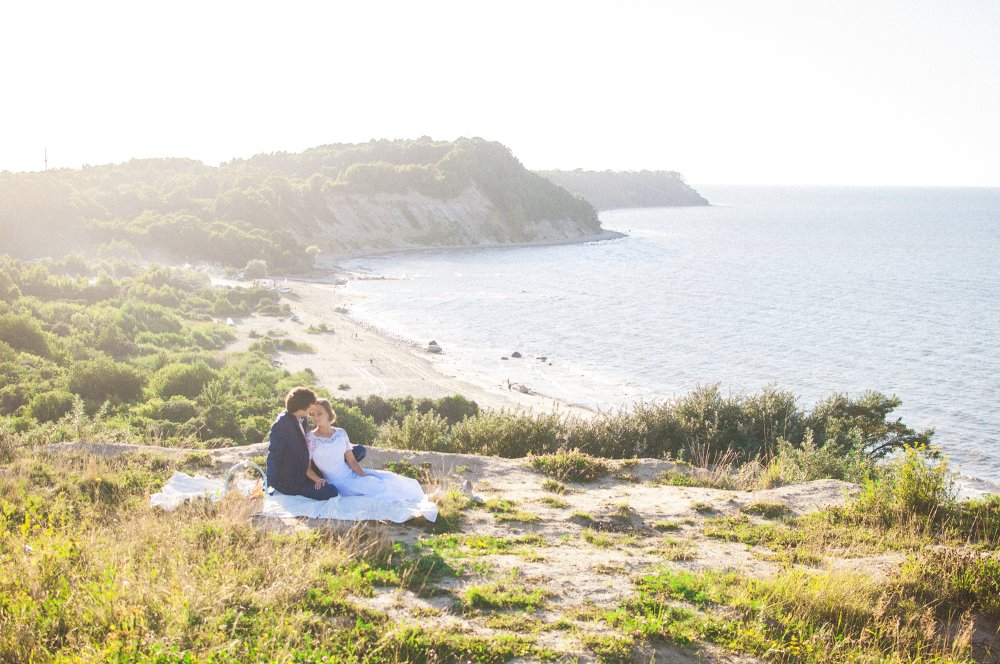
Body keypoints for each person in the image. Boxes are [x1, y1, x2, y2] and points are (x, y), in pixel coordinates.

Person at [306, 398, 425, 501]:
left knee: (386, 478)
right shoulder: (311, 438)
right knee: (376, 489)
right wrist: (318, 479)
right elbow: (307, 468)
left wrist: (363, 475)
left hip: (351, 473)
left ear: (328, 413)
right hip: (337, 482)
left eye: (319, 413)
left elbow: (352, 461)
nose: (315, 417)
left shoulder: (341, 433)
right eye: (312, 414)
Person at [265, 387, 339, 500]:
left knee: (358, 451)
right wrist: (269, 482)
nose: (312, 410)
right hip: (291, 479)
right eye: (310, 407)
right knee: (331, 491)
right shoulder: (281, 426)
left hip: (305, 467)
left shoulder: (301, 418)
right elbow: (274, 456)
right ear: (301, 410)